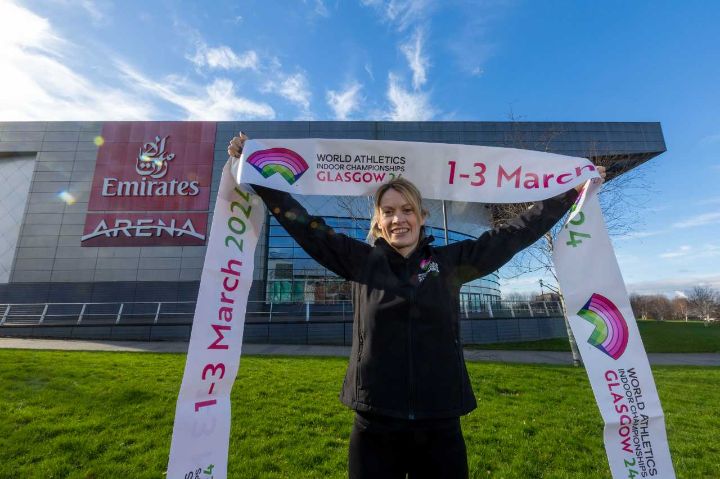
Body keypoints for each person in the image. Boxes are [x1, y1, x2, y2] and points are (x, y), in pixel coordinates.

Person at [228, 133, 605, 478]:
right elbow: (304, 226)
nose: (398, 219)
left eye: (407, 210)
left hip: (440, 423)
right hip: (374, 424)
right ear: (378, 220)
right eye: (388, 211)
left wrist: (569, 192)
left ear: (422, 217)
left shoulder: (450, 264)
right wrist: (259, 173)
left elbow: (514, 233)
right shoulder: (361, 261)